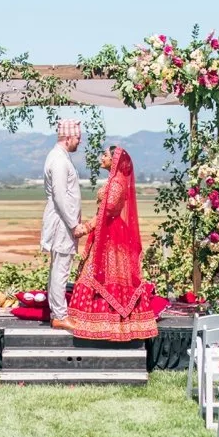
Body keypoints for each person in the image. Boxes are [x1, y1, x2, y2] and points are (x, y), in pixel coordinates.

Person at [66, 145, 160, 342]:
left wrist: (87, 227)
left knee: (101, 274)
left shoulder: (116, 183)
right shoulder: (115, 181)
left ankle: (108, 323)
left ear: (115, 161)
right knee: (97, 274)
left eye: (105, 155)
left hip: (111, 235)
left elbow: (106, 212)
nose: (102, 157)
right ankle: (97, 320)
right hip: (108, 232)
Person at [41, 118, 90, 331]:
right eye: (77, 138)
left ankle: (58, 312)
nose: (79, 142)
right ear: (68, 137)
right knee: (61, 268)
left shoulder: (59, 157)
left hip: (63, 220)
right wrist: (73, 224)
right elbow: (61, 196)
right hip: (62, 221)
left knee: (59, 267)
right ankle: (60, 314)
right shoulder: (59, 161)